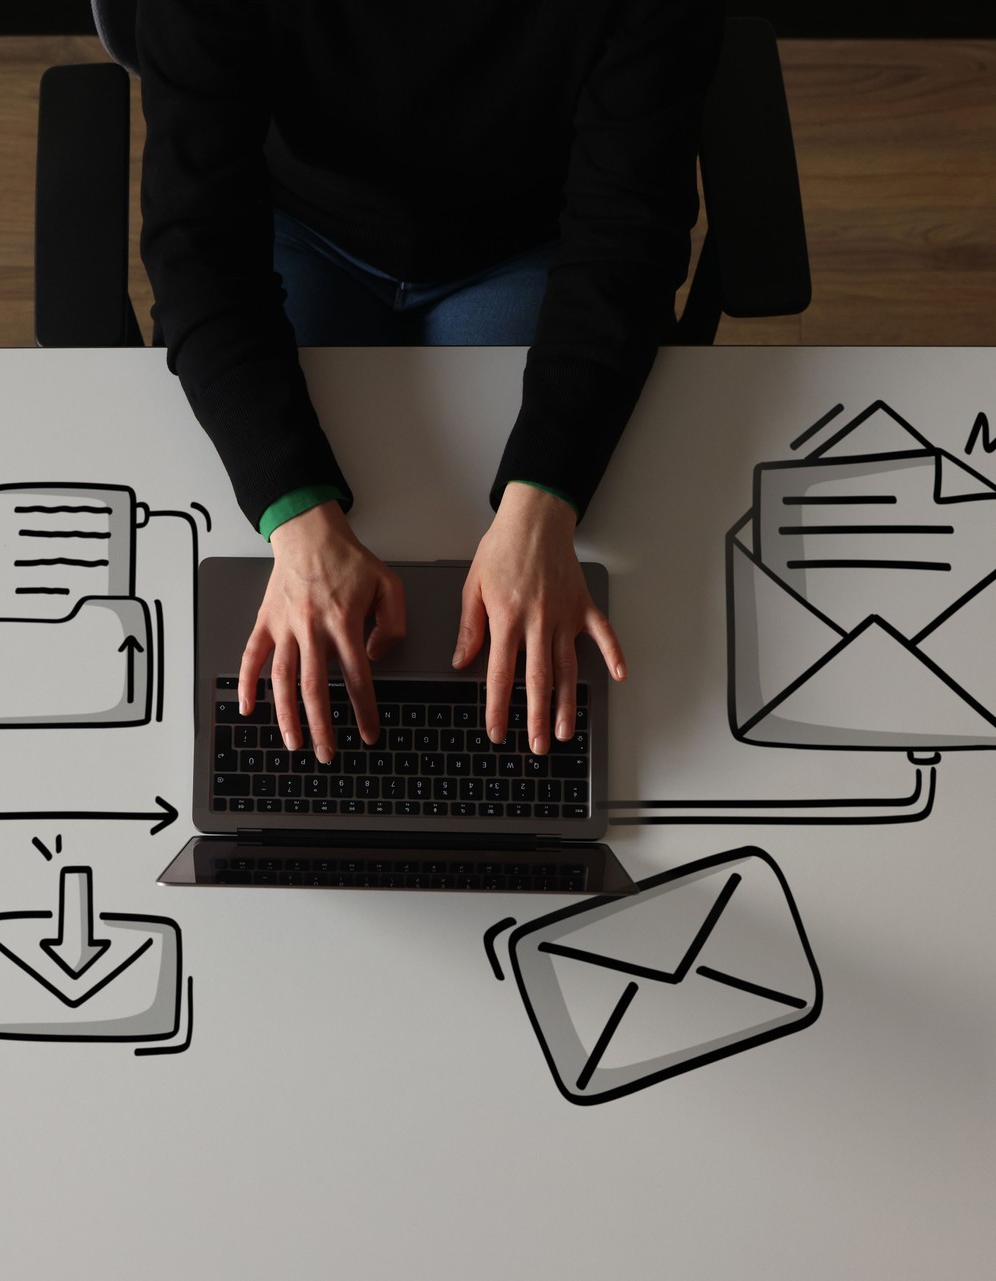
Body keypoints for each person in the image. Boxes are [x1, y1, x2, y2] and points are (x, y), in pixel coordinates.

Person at [138, 0, 722, 765]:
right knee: (280, 597)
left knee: (494, 604)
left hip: (525, 233)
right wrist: (297, 515)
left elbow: (629, 237)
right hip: (299, 219)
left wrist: (542, 503)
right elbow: (199, 244)